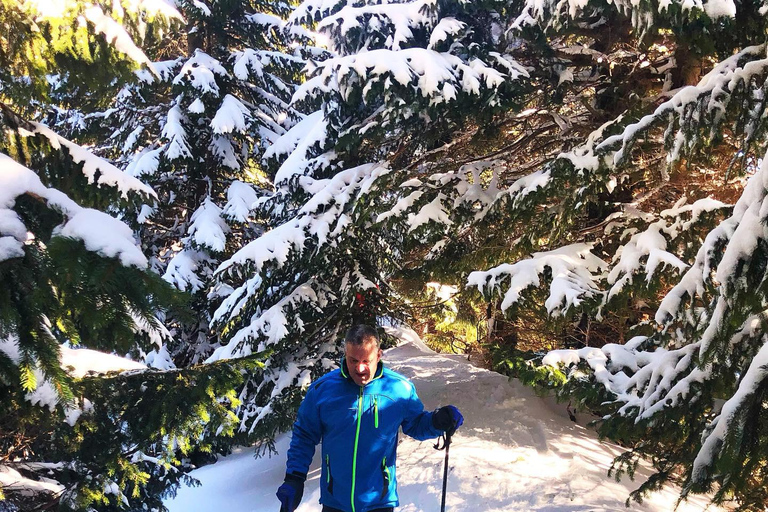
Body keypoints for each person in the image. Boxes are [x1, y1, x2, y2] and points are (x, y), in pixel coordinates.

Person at [276, 324, 464, 512]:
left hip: (379, 501)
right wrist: (295, 478)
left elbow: (416, 425)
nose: (360, 368)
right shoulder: (323, 390)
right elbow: (304, 436)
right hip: (335, 501)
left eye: (367, 360)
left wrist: (437, 422)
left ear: (379, 355)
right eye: (353, 360)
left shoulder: (399, 389)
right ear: (345, 355)